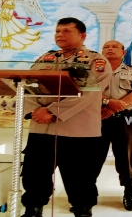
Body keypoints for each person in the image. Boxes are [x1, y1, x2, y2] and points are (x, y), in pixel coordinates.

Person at [20, 17, 112, 217]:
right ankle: (33, 208)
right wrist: (34, 111)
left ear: (82, 36)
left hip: (78, 130)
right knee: (35, 173)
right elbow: (27, 86)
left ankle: (82, 209)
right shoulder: (46, 58)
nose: (60, 35)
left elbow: (89, 93)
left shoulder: (95, 61)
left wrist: (52, 111)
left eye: (66, 31)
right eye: (57, 31)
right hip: (41, 127)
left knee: (80, 176)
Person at [95, 40, 132, 211]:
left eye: (114, 47)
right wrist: (108, 103)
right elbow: (87, 90)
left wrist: (118, 105)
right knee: (91, 157)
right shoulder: (92, 69)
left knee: (127, 157)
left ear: (124, 52)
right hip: (96, 118)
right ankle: (88, 194)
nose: (110, 49)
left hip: (125, 119)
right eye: (106, 47)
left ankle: (129, 193)